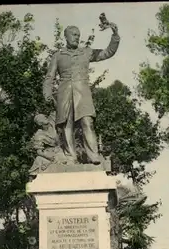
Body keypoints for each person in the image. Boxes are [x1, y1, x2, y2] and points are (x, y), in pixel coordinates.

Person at [43, 22, 120, 165]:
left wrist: (115, 35)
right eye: (74, 35)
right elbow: (49, 77)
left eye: (78, 35)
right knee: (66, 125)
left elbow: (107, 52)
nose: (77, 38)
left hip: (83, 93)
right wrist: (47, 93)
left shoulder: (86, 52)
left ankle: (93, 155)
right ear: (66, 37)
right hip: (64, 93)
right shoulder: (58, 56)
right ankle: (70, 157)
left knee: (87, 122)